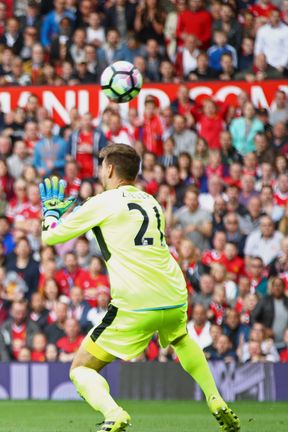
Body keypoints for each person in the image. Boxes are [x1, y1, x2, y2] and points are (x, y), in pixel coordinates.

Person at [39, 144, 239, 432]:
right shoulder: (151, 201)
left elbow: (51, 239)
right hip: (173, 291)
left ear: (109, 169)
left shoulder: (103, 201)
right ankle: (215, 398)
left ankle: (114, 413)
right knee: (181, 338)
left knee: (81, 369)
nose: (99, 171)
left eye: (101, 165)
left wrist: (51, 214)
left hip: (135, 301)